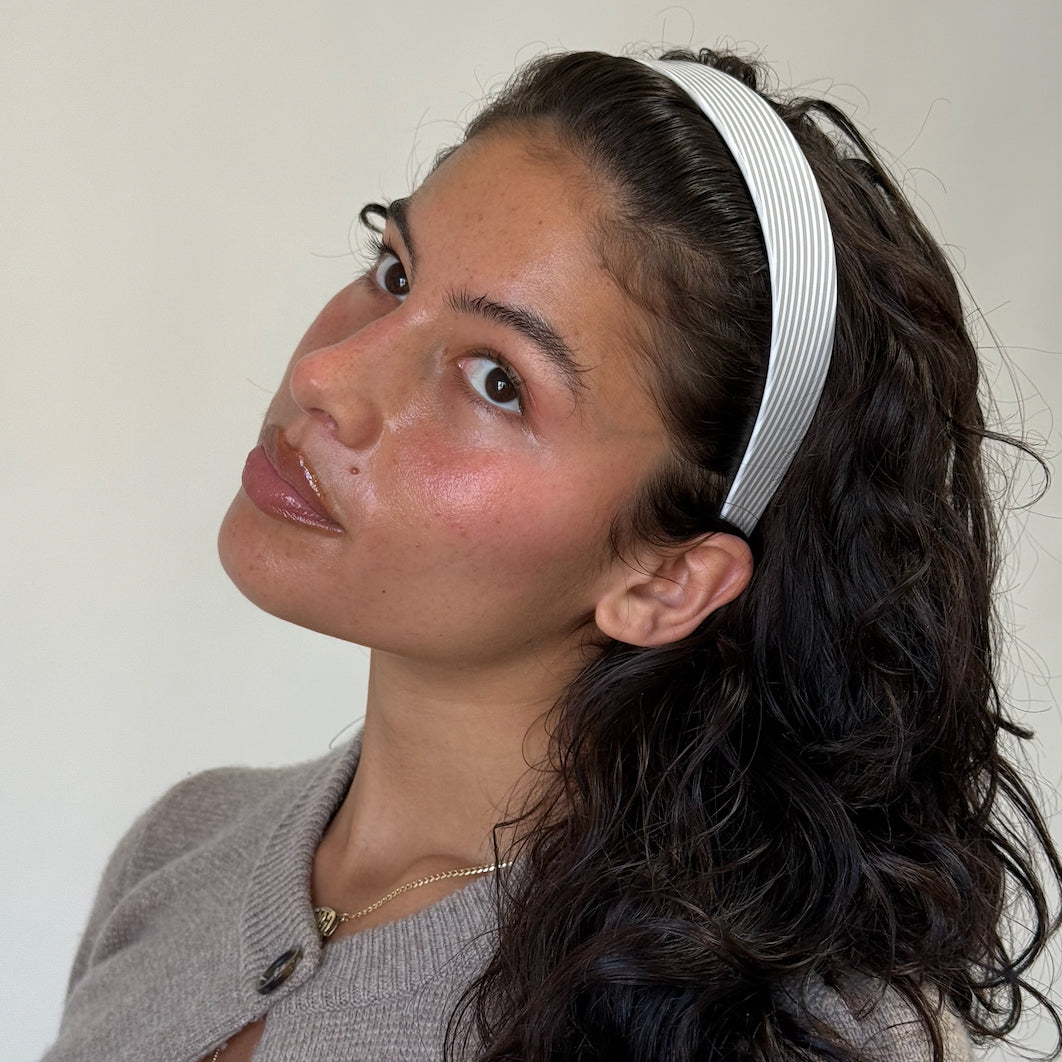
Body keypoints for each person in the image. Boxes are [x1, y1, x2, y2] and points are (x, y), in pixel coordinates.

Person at [42, 46, 1060, 1062]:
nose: (325, 374)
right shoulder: (179, 852)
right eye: (394, 272)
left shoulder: (781, 1040)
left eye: (496, 380)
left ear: (667, 580)